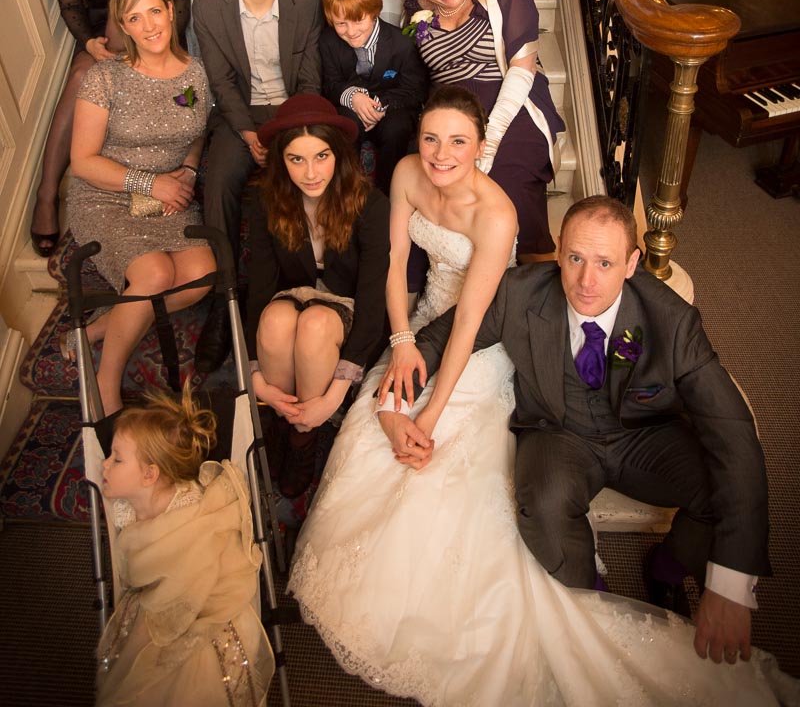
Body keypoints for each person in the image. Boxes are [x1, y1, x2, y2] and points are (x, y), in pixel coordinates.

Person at [290, 192, 789, 707]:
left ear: (632, 263)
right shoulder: (519, 292)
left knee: (716, 486)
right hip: (558, 433)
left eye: (605, 263)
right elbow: (438, 339)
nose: (586, 280)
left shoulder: (673, 321)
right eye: (575, 258)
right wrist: (394, 405)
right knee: (543, 505)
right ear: (558, 252)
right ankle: (588, 608)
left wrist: (731, 585)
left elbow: (734, 434)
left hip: (644, 436)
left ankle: (665, 567)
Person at [66, 0, 214, 413]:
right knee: (153, 274)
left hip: (168, 196)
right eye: (135, 18)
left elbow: (196, 131)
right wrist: (151, 182)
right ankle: (105, 384)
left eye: (154, 11)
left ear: (170, 11)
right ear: (123, 27)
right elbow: (83, 161)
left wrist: (189, 170)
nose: (149, 25)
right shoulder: (105, 78)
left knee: (202, 274)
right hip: (107, 194)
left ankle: (102, 325)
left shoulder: (194, 72)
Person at [31, 0, 185, 258]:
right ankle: (47, 194)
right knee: (83, 72)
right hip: (100, 39)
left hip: (152, 30)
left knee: (131, 0)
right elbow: (70, 4)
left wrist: (159, 42)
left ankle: (50, 194)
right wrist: (89, 43)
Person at [192, 0, 323, 373]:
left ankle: (291, 292)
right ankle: (223, 298)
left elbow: (309, 81)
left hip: (292, 109)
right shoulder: (209, 4)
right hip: (240, 112)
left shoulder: (305, 3)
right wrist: (249, 134)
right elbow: (221, 81)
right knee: (219, 182)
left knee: (295, 178)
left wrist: (286, 134)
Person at [246, 93, 391, 497]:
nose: (310, 173)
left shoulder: (371, 204)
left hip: (345, 310)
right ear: (281, 161)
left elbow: (373, 298)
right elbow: (259, 285)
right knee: (275, 320)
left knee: (315, 324)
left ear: (338, 155)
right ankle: (280, 415)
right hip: (293, 295)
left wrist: (335, 395)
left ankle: (303, 434)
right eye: (297, 159)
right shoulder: (266, 202)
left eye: (321, 157)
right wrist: (256, 377)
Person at [96, 384, 273, 706]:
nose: (104, 466)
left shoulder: (189, 513)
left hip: (208, 604)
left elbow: (199, 566)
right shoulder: (129, 505)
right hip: (159, 596)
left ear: (150, 475)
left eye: (116, 459)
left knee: (175, 675)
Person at [403, 0, 564, 260]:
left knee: (507, 176)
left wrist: (490, 138)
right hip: (449, 114)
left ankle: (530, 265)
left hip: (511, 104)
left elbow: (522, 70)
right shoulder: (418, 15)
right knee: (424, 180)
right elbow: (420, 80)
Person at [319, 0, 428, 195]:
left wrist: (378, 104)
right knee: (345, 125)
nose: (351, 31)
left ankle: (387, 191)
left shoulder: (401, 44)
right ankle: (348, 189)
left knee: (397, 128)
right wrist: (353, 97)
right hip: (349, 108)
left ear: (374, 11)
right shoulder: (328, 41)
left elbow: (414, 90)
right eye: (341, 24)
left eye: (358, 20)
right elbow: (330, 84)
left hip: (390, 107)